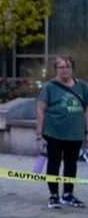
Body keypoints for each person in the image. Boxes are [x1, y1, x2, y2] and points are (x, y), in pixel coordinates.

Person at [36, 55, 88, 208]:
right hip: (54, 132)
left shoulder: (82, 87)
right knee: (54, 162)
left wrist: (87, 132)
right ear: (56, 70)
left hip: (75, 133)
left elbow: (86, 110)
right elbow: (40, 109)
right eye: (61, 67)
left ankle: (68, 194)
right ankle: (53, 195)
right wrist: (39, 134)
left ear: (72, 69)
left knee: (71, 164)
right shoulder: (49, 87)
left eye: (68, 67)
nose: (65, 70)